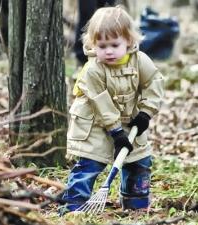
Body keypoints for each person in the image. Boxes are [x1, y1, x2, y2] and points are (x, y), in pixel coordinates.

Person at [59, 6, 164, 215]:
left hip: (131, 122)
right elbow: (101, 103)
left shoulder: (140, 60)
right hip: (95, 126)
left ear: (129, 41)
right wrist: (116, 133)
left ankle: (136, 206)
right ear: (92, 44)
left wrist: (145, 113)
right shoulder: (93, 69)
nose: (108, 51)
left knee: (138, 163)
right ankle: (73, 207)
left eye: (114, 45)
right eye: (102, 45)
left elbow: (154, 83)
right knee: (88, 165)